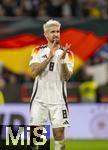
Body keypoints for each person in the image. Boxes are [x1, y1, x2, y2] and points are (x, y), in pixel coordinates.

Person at [29, 19, 74, 150]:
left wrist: (63, 60)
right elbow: (34, 72)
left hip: (59, 100)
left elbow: (66, 77)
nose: (56, 34)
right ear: (45, 34)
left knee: (59, 134)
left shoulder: (68, 53)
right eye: (52, 32)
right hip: (39, 100)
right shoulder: (37, 51)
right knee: (35, 137)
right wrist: (50, 56)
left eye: (58, 31)